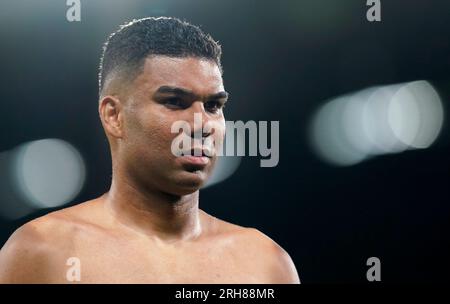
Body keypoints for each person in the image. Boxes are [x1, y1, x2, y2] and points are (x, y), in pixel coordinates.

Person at [0, 17, 300, 283]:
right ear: (113, 116)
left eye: (213, 106)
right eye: (174, 101)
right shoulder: (44, 251)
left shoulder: (265, 263)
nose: (202, 124)